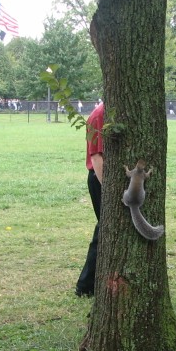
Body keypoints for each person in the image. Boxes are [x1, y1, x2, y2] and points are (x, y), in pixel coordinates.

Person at [75, 101, 104, 297]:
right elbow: (96, 158)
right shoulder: (98, 116)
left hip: (108, 180)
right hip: (100, 179)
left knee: (105, 228)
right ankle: (85, 285)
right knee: (104, 228)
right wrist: (109, 189)